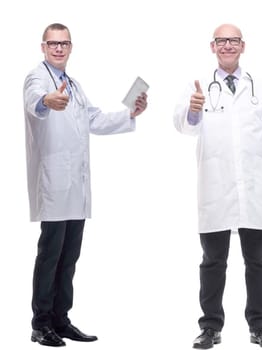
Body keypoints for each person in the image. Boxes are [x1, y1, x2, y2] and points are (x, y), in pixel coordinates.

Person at [173, 23, 262, 350]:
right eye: (222, 41)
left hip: (252, 188)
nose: (227, 46)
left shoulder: (259, 87)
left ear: (242, 46)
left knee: (258, 261)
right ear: (213, 47)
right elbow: (183, 126)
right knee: (212, 261)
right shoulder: (199, 86)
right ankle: (210, 328)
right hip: (215, 188)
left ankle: (260, 327)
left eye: (233, 41)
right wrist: (193, 111)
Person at [23, 22, 148, 348]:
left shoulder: (73, 85)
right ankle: (40, 324)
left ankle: (61, 320)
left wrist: (129, 113)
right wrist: (47, 101)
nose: (59, 49)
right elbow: (35, 101)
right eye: (53, 44)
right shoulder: (37, 78)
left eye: (64, 43)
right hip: (53, 183)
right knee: (50, 254)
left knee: (69, 256)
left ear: (71, 47)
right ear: (43, 47)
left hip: (75, 187)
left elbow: (93, 119)